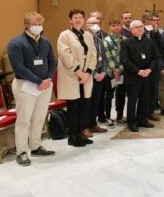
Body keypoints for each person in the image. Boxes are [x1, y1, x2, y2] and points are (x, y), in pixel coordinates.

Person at [7, 12, 56, 166]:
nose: (39, 27)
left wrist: (47, 79)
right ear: (27, 24)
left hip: (45, 85)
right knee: (24, 120)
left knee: (39, 117)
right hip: (25, 85)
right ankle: (21, 152)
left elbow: (52, 62)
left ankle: (35, 146)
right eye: (35, 24)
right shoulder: (16, 43)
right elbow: (18, 67)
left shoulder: (45, 42)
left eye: (41, 24)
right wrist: (38, 80)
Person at [57, 9, 97, 147]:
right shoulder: (65, 35)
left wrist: (88, 72)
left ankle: (81, 133)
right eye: (75, 17)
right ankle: (72, 136)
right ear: (70, 20)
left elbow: (93, 54)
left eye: (80, 17)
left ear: (84, 19)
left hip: (86, 76)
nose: (78, 19)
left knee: (84, 107)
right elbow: (65, 55)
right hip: (72, 76)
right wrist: (79, 72)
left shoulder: (88, 35)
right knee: (73, 108)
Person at [120, 20, 159, 132]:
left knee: (145, 99)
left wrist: (149, 69)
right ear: (131, 30)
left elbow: (155, 58)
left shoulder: (150, 42)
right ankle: (131, 122)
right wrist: (138, 71)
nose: (139, 29)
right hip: (133, 77)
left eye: (141, 26)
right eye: (136, 27)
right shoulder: (126, 43)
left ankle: (142, 120)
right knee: (132, 101)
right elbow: (125, 60)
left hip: (147, 76)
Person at [86, 16, 108, 134]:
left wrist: (103, 72)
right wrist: (94, 74)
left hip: (100, 75)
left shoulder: (99, 40)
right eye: (93, 23)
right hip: (89, 76)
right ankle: (85, 126)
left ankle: (93, 124)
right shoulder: (84, 39)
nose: (96, 24)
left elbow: (104, 58)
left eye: (97, 22)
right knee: (87, 102)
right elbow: (85, 60)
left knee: (96, 101)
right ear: (87, 25)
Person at [103, 19, 126, 125]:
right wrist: (115, 69)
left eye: (118, 25)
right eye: (114, 25)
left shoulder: (125, 39)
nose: (116, 27)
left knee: (121, 95)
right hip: (110, 72)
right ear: (110, 27)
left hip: (122, 72)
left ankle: (120, 116)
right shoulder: (106, 40)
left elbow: (126, 56)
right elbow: (108, 57)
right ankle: (108, 117)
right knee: (109, 95)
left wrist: (121, 69)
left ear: (121, 27)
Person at [142, 13, 164, 122]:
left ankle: (151, 112)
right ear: (144, 20)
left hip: (155, 65)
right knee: (145, 91)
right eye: (149, 19)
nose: (152, 21)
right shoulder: (140, 31)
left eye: (153, 20)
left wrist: (156, 31)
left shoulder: (155, 32)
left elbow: (163, 44)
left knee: (154, 90)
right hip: (145, 65)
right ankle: (143, 113)